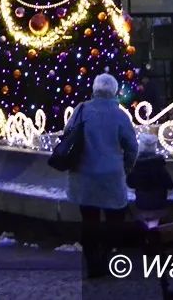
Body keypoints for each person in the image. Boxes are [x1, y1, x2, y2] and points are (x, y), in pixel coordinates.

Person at [66, 73, 138, 279]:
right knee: (115, 219)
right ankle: (106, 256)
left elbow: (68, 133)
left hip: (84, 174)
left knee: (89, 220)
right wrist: (126, 167)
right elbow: (132, 147)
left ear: (95, 90)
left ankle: (92, 262)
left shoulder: (81, 110)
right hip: (111, 176)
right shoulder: (120, 115)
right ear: (114, 92)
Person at [126, 133, 173, 229]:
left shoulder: (136, 164)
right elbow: (170, 184)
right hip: (158, 204)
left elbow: (130, 183)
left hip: (142, 204)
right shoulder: (159, 165)